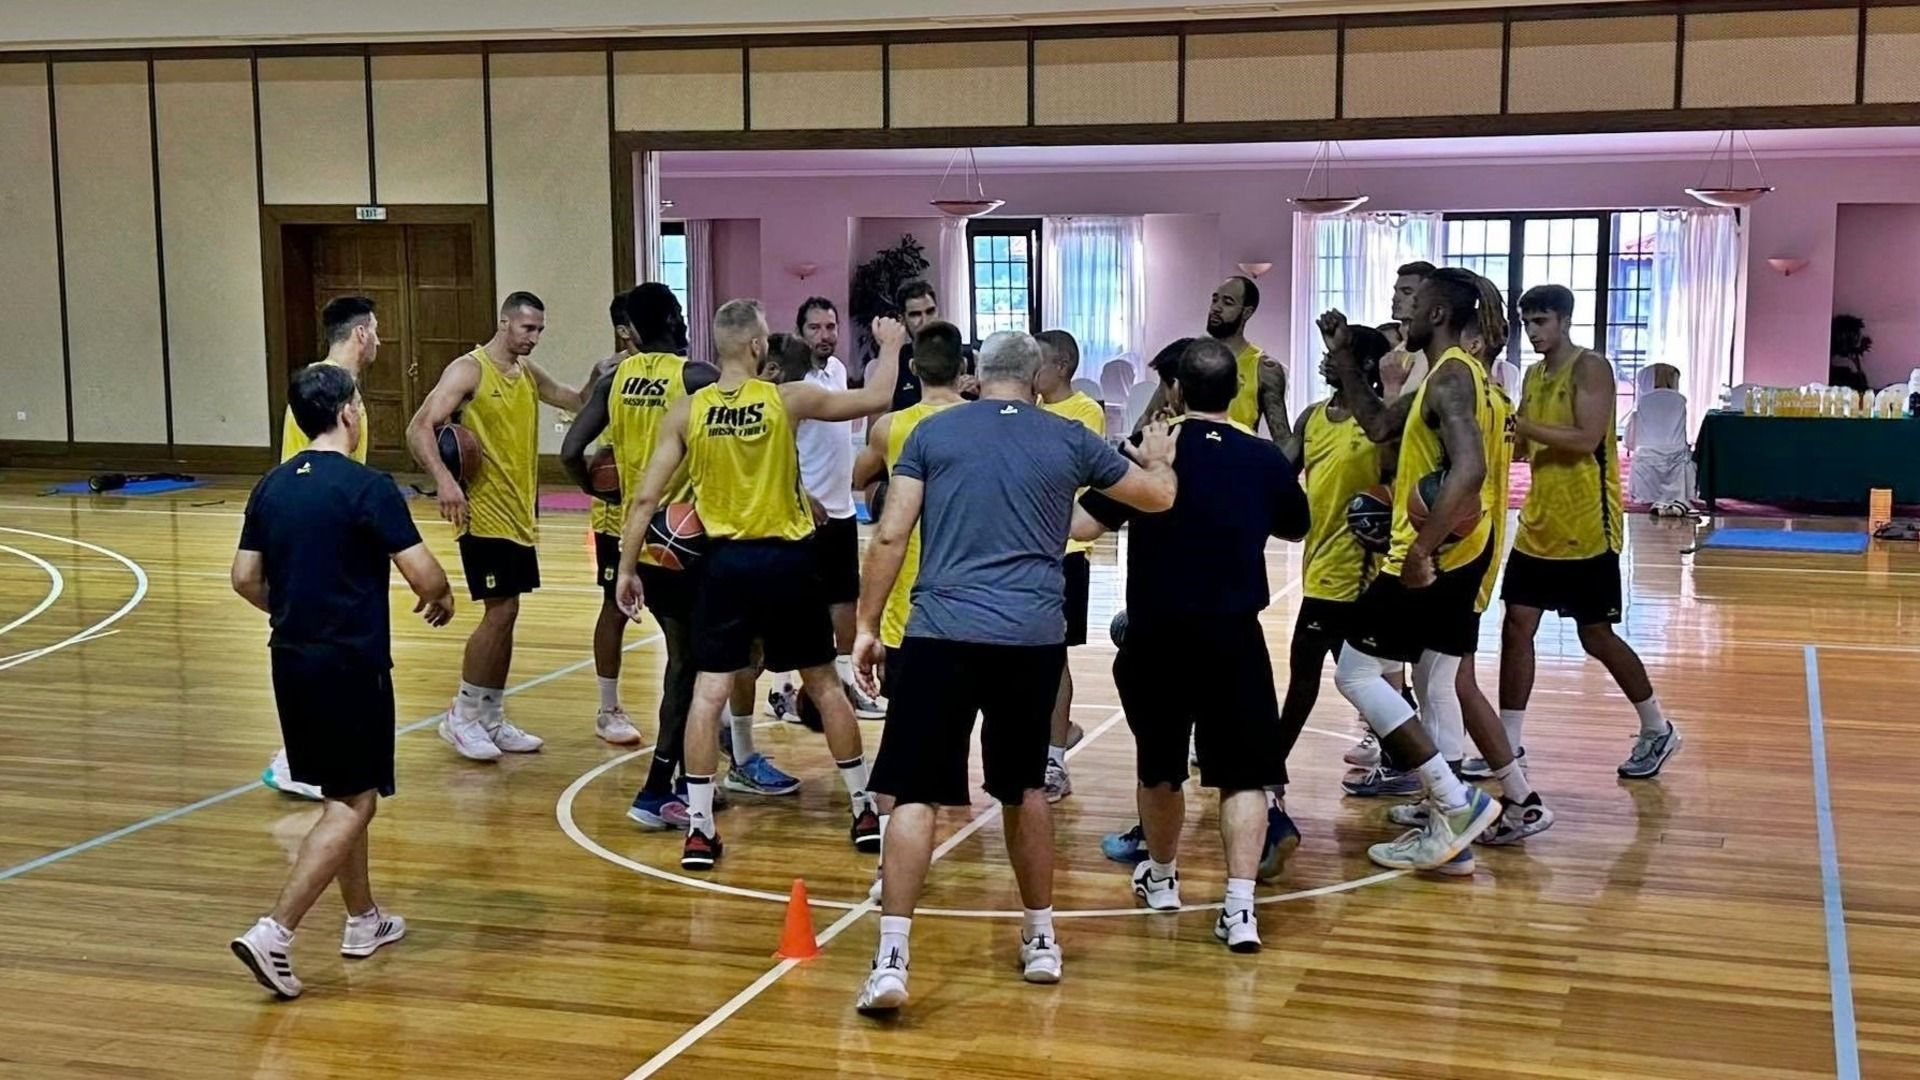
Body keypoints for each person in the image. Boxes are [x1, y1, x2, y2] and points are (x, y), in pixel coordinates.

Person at [849, 331, 1178, 1014]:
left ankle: (892, 959)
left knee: (914, 793)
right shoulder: (1068, 436)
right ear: (1036, 380)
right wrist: (1160, 461)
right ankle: (1040, 939)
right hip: (1030, 639)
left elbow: (890, 533)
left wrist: (866, 627)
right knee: (1024, 788)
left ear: (976, 374)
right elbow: (1156, 498)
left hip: (940, 633)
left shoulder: (932, 433)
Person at [615, 300, 906, 871]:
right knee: (824, 684)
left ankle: (700, 829)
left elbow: (647, 499)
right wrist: (891, 347)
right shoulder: (786, 399)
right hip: (788, 562)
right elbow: (876, 399)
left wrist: (628, 569)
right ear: (756, 346)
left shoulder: (688, 410)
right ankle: (863, 810)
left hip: (723, 565)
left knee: (708, 693)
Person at [1072, 338, 1308, 952]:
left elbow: (1086, 525)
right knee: (1245, 778)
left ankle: (1163, 878)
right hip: (1234, 634)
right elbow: (1296, 526)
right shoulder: (1262, 457)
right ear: (1237, 391)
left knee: (1160, 768)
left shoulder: (1150, 450)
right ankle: (1239, 909)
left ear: (1175, 390)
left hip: (1158, 634)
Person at [228, 363, 455, 1000]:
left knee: (341, 791)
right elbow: (424, 575)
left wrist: (293, 609)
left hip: (290, 659)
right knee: (356, 802)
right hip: (351, 663)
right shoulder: (367, 486)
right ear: (349, 412)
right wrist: (440, 596)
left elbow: (244, 578)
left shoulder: (272, 485)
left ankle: (363, 919)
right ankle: (275, 931)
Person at [1317, 267, 1505, 870]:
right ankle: (1448, 833)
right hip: (1468, 552)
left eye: (1417, 304)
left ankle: (1453, 802)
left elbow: (1469, 470)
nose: (1407, 314)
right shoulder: (1458, 375)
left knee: (1356, 674)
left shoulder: (1450, 377)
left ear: (1439, 314)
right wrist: (1345, 356)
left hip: (1434, 556)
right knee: (1435, 683)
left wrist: (1421, 549)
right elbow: (1378, 424)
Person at [1499, 284, 1680, 780]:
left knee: (1596, 636)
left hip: (1587, 526)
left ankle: (1657, 727)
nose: (1532, 332)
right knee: (1517, 627)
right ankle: (1507, 745)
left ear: (1564, 320)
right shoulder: (1533, 375)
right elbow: (1524, 447)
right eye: (1527, 323)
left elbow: (1584, 438)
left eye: (1541, 321)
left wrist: (1522, 426)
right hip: (1538, 522)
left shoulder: (1591, 367)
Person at [407, 291, 586, 761]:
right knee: (499, 612)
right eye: (528, 328)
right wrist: (445, 481)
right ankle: (462, 714)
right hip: (482, 513)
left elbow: (573, 399)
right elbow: (419, 427)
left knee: (509, 612)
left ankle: (491, 715)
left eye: (540, 329)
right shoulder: (469, 370)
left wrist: (602, 376)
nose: (535, 337)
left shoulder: (526, 372)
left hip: (519, 514)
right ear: (505, 323)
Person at [849, 318, 970, 900]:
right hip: (975, 606)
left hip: (909, 608)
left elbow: (857, 482)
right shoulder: (980, 424)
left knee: (905, 746)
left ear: (914, 369)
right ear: (965, 370)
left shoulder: (891, 427)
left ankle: (890, 868)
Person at [263, 295, 380, 801]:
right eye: (376, 331)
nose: (379, 341)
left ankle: (309, 759)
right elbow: (298, 471)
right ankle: (292, 761)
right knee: (315, 657)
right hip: (312, 541)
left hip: (341, 538)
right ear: (360, 334)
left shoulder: (345, 390)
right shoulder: (317, 392)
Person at [1277, 324, 1397, 812]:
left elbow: (1400, 482)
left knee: (1306, 675)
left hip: (1357, 572)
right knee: (1367, 680)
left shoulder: (1379, 424)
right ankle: (1414, 762)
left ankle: (1268, 771)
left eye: (1338, 351)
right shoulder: (1312, 417)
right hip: (1318, 561)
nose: (1327, 358)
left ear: (1364, 364)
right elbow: (1278, 474)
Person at [571, 288, 684, 750]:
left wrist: (588, 484)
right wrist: (598, 487)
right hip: (653, 519)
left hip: (639, 514)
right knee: (640, 618)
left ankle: (681, 715)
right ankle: (612, 709)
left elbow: (570, 450)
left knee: (650, 618)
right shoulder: (685, 375)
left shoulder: (625, 376)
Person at [795, 297, 888, 721]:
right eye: (814, 328)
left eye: (830, 327)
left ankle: (852, 686)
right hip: (804, 515)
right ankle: (784, 690)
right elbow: (779, 446)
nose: (824, 335)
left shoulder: (835, 370)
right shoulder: (795, 382)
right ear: (800, 333)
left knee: (846, 604)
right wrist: (799, 492)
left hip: (842, 511)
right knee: (799, 610)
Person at [1032, 328, 1106, 802]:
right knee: (1031, 658)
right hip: (1028, 550)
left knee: (1055, 658)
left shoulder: (1084, 412)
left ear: (1060, 367)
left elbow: (1073, 470)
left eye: (1036, 361)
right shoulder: (1031, 408)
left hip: (1067, 552)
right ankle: (1053, 735)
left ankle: (1055, 760)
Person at [1133, 277, 1288, 443]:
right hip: (1186, 453)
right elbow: (1147, 419)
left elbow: (1282, 439)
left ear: (1247, 312)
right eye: (1215, 300)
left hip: (1237, 454)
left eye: (1227, 303)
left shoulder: (1263, 368)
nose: (1216, 308)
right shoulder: (1187, 358)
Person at [887, 280, 977, 410]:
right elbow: (880, 418)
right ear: (902, 319)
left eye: (930, 311)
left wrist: (981, 391)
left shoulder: (968, 356)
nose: (925, 320)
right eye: (915, 314)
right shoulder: (895, 362)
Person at [1382, 261, 1436, 400]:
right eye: (1396, 291)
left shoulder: (1432, 354)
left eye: (1407, 292)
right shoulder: (1398, 350)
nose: (1395, 298)